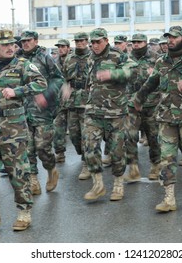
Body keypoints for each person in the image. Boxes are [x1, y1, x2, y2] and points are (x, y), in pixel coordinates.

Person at [0, 29, 47, 231]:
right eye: (5, 45)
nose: (11, 47)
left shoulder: (23, 65)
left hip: (14, 126)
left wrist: (18, 91)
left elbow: (41, 83)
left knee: (18, 172)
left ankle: (24, 213)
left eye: (13, 44)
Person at [134, 25, 182, 212]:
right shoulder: (162, 62)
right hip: (166, 117)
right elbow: (151, 82)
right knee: (167, 157)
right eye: (168, 37)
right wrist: (139, 98)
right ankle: (169, 197)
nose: (170, 40)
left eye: (174, 38)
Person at [83, 27, 137, 201]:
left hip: (115, 113)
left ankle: (118, 184)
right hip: (93, 112)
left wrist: (112, 74)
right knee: (90, 148)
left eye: (98, 42)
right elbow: (89, 83)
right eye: (92, 42)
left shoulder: (117, 55)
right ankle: (98, 184)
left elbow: (134, 72)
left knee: (116, 152)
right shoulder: (90, 58)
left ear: (106, 40)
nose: (95, 45)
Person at [17, 30, 63, 195]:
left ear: (35, 41)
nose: (26, 44)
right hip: (22, 110)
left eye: (28, 40)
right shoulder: (18, 59)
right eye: (23, 41)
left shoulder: (45, 58)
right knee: (26, 148)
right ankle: (33, 180)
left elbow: (58, 79)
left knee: (42, 147)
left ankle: (51, 170)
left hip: (42, 111)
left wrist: (46, 95)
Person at [125, 33, 161, 182]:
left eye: (139, 42)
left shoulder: (156, 57)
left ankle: (156, 164)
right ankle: (133, 168)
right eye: (134, 42)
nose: (136, 45)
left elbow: (164, 77)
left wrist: (156, 74)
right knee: (129, 135)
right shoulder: (126, 58)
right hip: (132, 103)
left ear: (145, 42)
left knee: (153, 136)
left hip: (151, 103)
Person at [61, 32, 92, 179]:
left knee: (86, 134)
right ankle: (83, 154)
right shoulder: (69, 58)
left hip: (87, 101)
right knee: (74, 135)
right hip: (73, 101)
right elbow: (64, 78)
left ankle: (86, 163)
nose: (79, 43)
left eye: (82, 41)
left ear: (87, 41)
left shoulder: (93, 57)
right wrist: (65, 88)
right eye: (77, 41)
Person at [53, 39, 71, 163]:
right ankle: (60, 153)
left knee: (77, 132)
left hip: (75, 101)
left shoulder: (74, 60)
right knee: (58, 128)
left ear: (68, 48)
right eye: (59, 47)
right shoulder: (54, 62)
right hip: (59, 101)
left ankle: (85, 156)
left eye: (63, 46)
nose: (60, 49)